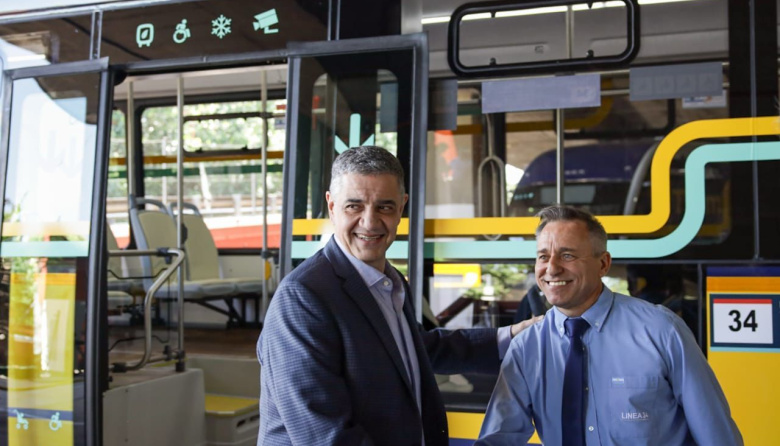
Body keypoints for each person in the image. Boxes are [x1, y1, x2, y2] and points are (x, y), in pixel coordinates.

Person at [257, 146, 539, 446]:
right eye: (354, 206)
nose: (370, 222)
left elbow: (417, 350)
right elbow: (326, 438)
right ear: (331, 205)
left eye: (384, 207)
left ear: (402, 208)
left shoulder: (387, 282)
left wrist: (513, 336)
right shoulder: (302, 298)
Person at [477, 205, 742, 446]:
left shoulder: (661, 330)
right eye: (543, 256)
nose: (552, 268)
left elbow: (716, 435)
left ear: (603, 263)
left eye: (567, 255)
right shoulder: (526, 348)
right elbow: (498, 438)